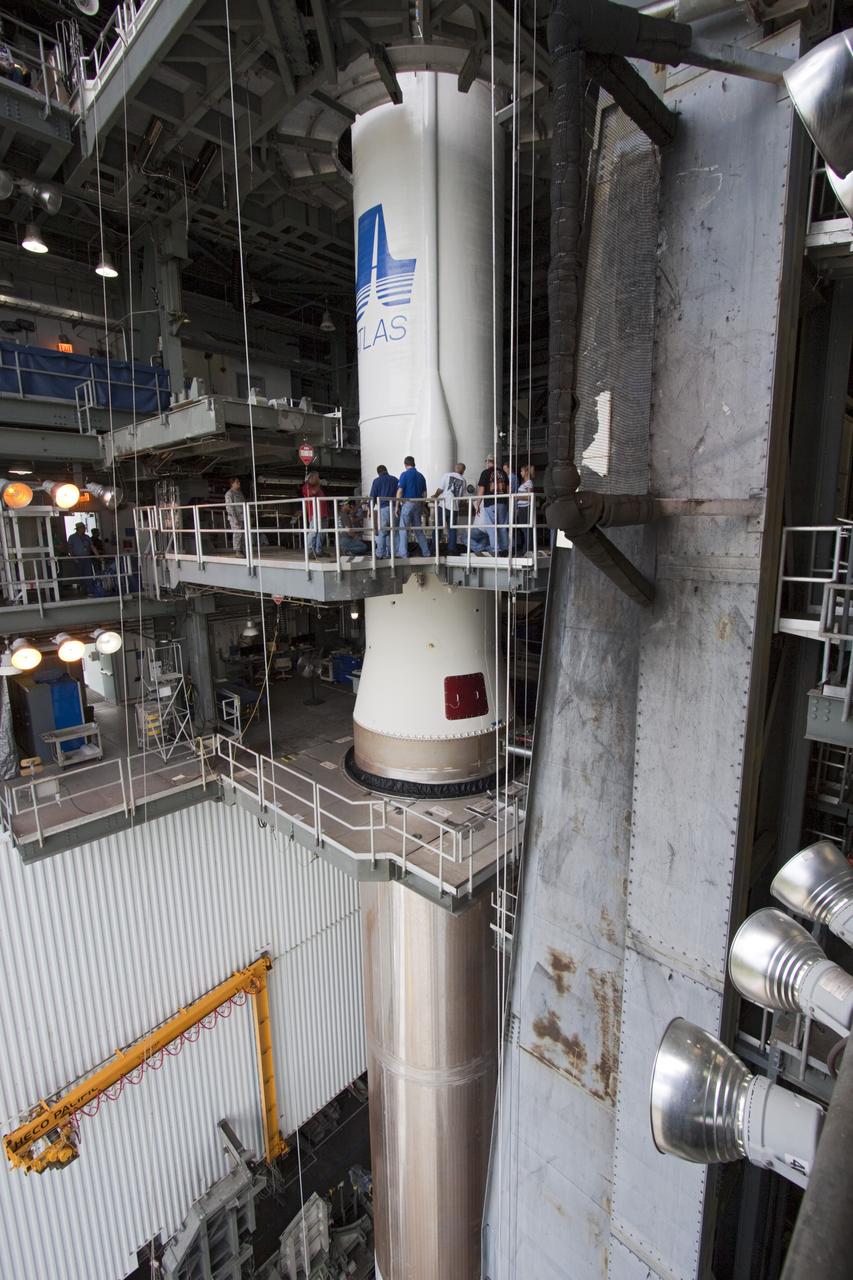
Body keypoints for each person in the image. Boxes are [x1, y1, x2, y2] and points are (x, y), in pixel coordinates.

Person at [396, 456, 430, 558]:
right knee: (418, 530)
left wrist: (396, 506)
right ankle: (426, 552)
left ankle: (403, 553)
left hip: (407, 504)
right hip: (418, 504)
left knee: (403, 529)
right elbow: (424, 494)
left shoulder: (404, 475)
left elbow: (400, 491)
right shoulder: (421, 476)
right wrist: (422, 505)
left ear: (405, 464)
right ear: (414, 463)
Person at [476, 457, 509, 555]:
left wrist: (478, 504)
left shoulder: (485, 472)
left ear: (488, 462)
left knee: (491, 527)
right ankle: (504, 549)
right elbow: (508, 489)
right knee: (502, 526)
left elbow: (481, 489)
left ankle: (496, 549)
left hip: (490, 503)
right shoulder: (503, 473)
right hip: (502, 502)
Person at [432, 462, 466, 555]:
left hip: (443, 505)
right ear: (463, 471)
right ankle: (452, 549)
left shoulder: (446, 475)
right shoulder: (463, 480)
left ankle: (435, 549)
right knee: (452, 529)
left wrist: (435, 496)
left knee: (438, 527)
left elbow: (440, 489)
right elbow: (462, 497)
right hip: (454, 508)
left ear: (455, 468)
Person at [369, 464, 398, 559]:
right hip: (394, 508)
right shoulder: (395, 479)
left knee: (382, 532)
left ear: (378, 473)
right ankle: (394, 553)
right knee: (394, 532)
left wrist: (370, 509)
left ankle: (380, 554)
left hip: (383, 509)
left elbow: (372, 496)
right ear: (386, 470)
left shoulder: (376, 481)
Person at [301, 471, 329, 558]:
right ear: (310, 478)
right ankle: (309, 551)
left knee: (322, 532)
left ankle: (318, 550)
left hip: (323, 513)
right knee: (313, 532)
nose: (318, 479)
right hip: (314, 513)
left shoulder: (318, 488)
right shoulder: (306, 487)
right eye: (316, 477)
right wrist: (319, 484)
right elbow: (313, 492)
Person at [68, 522, 96, 595]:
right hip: (78, 559)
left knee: (89, 574)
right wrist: (74, 558)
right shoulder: (72, 537)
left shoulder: (87, 537)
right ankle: (83, 590)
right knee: (80, 575)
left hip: (87, 558)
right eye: (83, 527)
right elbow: (70, 549)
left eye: (84, 527)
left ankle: (90, 590)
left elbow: (92, 547)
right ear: (78, 529)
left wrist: (98, 556)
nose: (84, 529)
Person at [515, 463, 536, 553]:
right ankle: (526, 548)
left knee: (526, 529)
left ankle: (528, 548)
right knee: (524, 529)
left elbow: (529, 496)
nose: (520, 473)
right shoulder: (525, 483)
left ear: (526, 472)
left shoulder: (528, 483)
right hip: (522, 508)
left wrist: (517, 497)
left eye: (522, 471)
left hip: (525, 508)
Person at [225, 476, 246, 555]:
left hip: (242, 517)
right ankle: (237, 551)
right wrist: (235, 519)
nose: (239, 483)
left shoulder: (240, 493)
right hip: (235, 518)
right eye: (237, 482)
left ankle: (243, 550)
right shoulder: (229, 494)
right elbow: (230, 507)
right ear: (232, 484)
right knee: (237, 534)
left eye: (239, 482)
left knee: (243, 535)